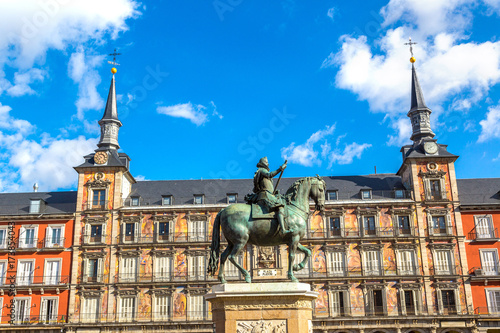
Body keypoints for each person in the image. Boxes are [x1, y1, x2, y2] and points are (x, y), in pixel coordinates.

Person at [253, 157, 291, 235]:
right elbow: (270, 175)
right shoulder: (262, 170)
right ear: (263, 164)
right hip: (265, 195)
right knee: (280, 207)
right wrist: (280, 169)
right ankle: (283, 229)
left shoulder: (261, 171)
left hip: (267, 194)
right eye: (267, 162)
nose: (268, 164)